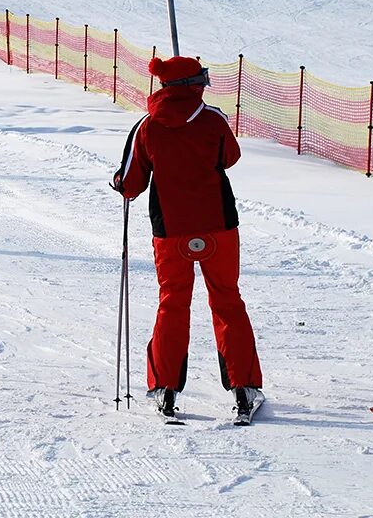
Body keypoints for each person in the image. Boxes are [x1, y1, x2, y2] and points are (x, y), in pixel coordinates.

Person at [111, 56, 263, 422]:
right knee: (227, 301)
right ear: (191, 85)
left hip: (171, 231)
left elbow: (131, 184)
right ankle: (244, 388)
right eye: (201, 79)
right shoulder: (213, 119)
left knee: (173, 303)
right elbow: (230, 157)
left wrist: (119, 183)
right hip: (219, 226)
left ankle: (164, 387)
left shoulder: (146, 127)